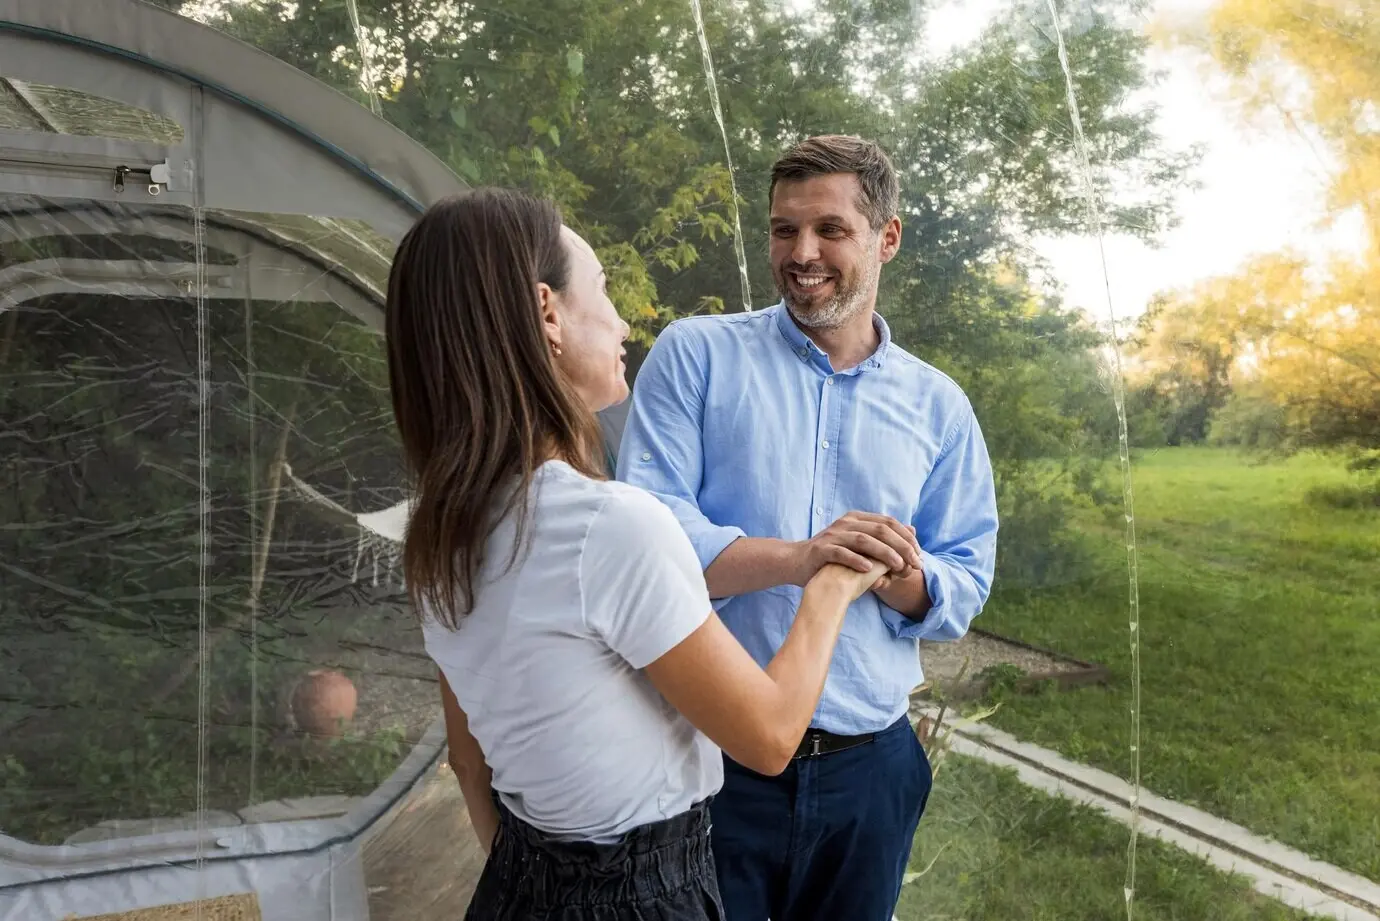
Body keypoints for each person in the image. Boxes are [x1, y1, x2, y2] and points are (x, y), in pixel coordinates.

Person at [383, 186, 891, 921]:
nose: (623, 322)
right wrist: (829, 583)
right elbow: (771, 736)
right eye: (603, 290)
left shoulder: (441, 532)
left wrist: (538, 888)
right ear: (547, 313)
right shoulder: (608, 526)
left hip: (516, 881)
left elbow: (469, 762)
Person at [617, 135, 999, 921]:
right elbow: (647, 538)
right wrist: (803, 558)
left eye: (830, 229)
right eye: (783, 229)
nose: (802, 253)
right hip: (710, 761)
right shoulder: (696, 356)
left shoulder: (939, 406)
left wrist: (902, 576)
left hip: (872, 770)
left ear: (887, 238)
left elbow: (965, 578)